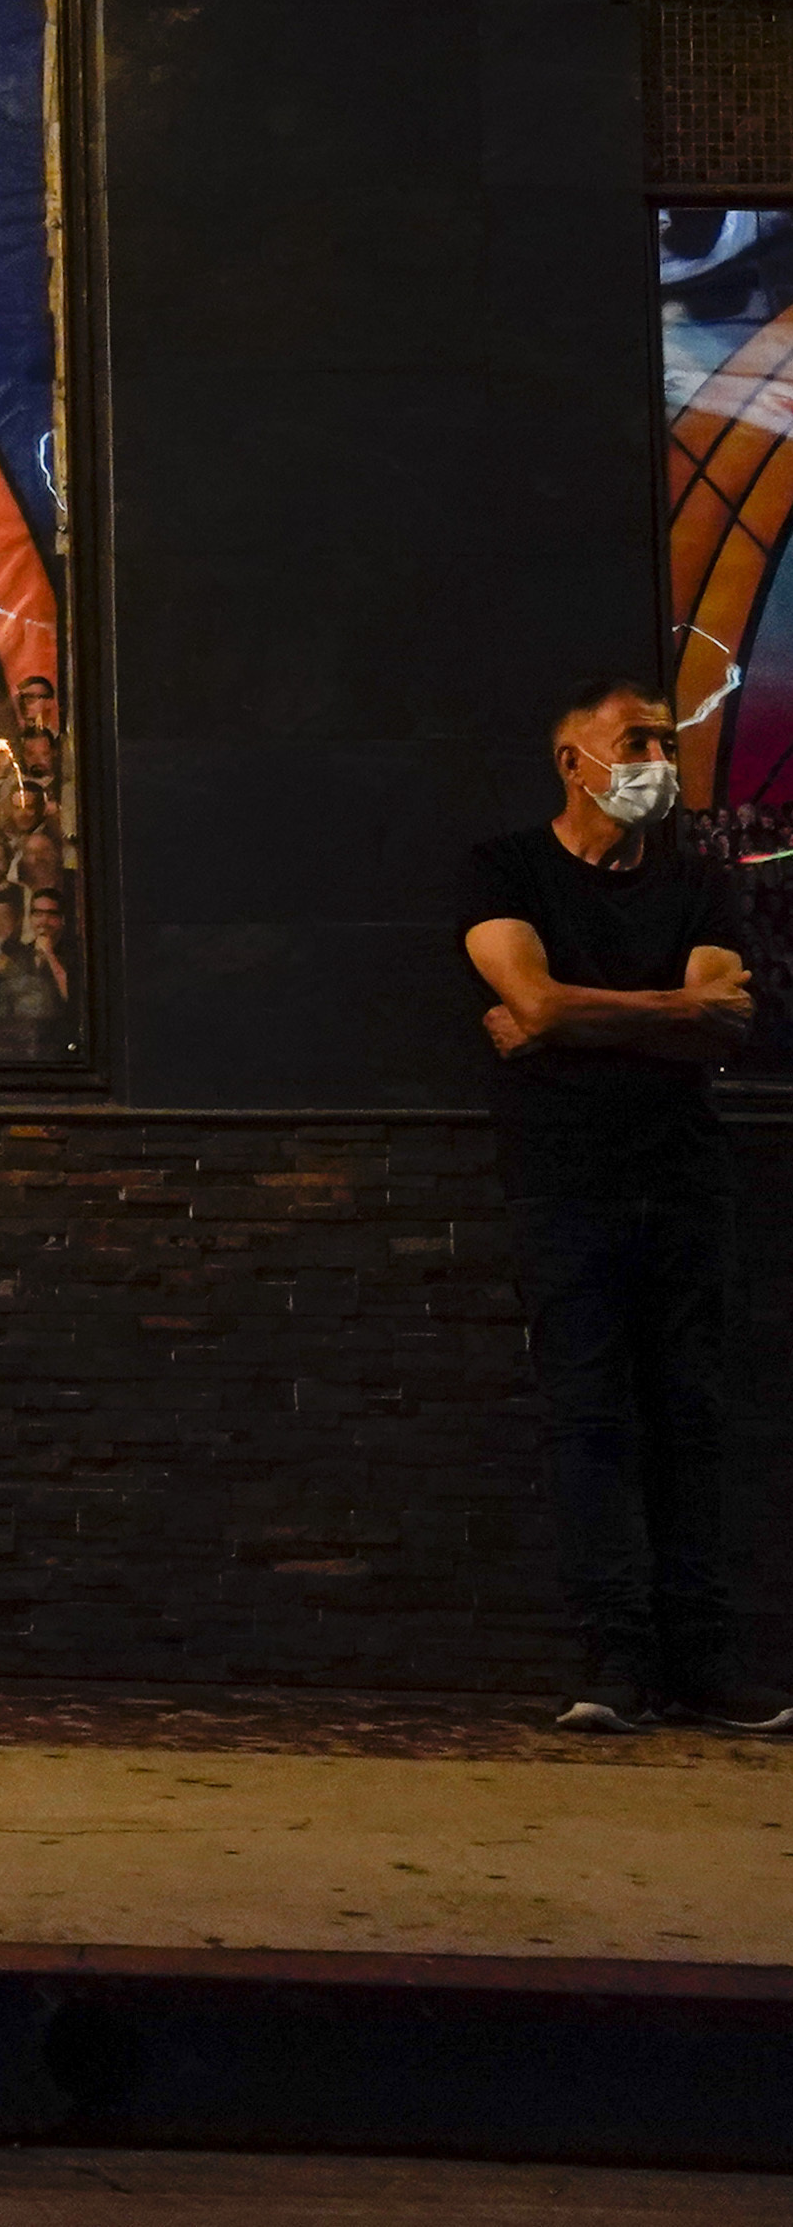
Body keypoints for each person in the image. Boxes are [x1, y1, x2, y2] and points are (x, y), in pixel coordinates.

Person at [462, 679, 778, 1733]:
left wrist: (563, 1020)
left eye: (661, 736)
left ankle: (703, 1659)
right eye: (632, 739)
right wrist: (666, 1009)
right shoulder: (504, 868)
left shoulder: (697, 882)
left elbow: (722, 1024)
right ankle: (612, 1659)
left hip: (683, 1179)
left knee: (690, 1416)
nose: (655, 753)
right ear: (571, 761)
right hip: (562, 1181)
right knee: (586, 1416)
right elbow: (532, 995)